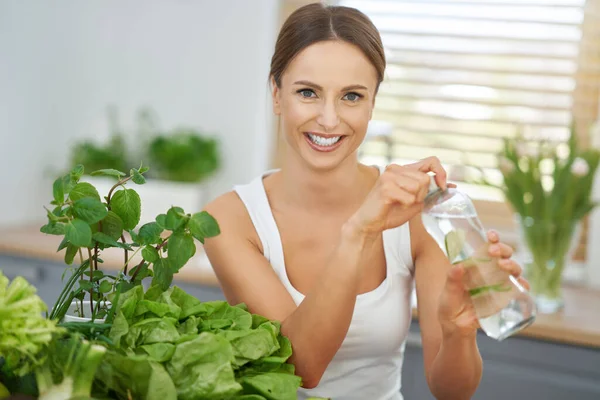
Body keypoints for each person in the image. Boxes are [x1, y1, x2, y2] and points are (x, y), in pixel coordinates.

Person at [203, 3, 528, 399]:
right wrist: (360, 230)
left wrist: (459, 330)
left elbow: (450, 391)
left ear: (373, 102)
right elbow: (300, 367)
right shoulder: (231, 220)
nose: (328, 119)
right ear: (276, 94)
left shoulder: (416, 209)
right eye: (308, 92)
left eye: (351, 96)